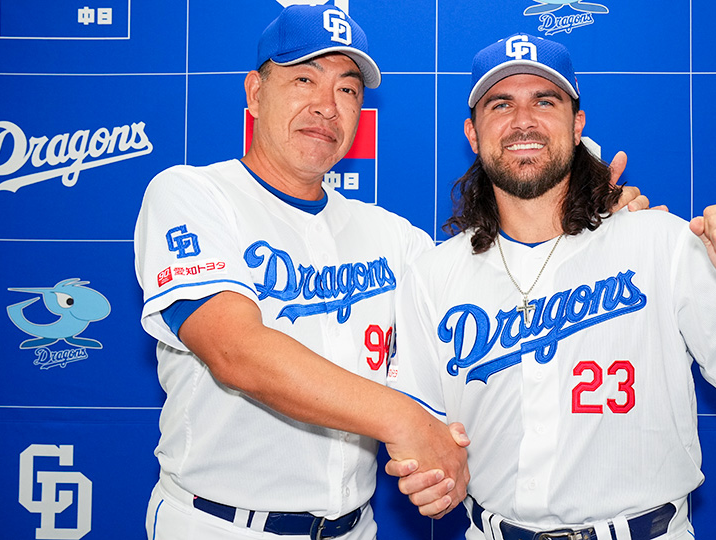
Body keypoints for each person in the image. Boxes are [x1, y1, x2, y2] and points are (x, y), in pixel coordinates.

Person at [134, 7, 644, 540]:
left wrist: (592, 222)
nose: (326, 106)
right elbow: (236, 350)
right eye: (304, 79)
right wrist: (406, 422)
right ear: (256, 93)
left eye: (347, 90)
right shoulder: (193, 194)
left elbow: (501, 292)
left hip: (355, 527)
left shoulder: (394, 237)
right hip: (219, 524)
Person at [386, 33, 716, 539]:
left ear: (577, 124)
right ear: (473, 134)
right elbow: (419, 429)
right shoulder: (433, 275)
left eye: (545, 101)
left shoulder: (663, 242)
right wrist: (428, 475)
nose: (523, 120)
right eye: (500, 104)